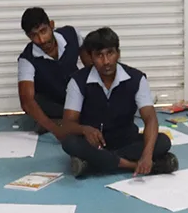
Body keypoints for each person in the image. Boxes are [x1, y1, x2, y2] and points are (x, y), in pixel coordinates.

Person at [60, 28, 177, 178]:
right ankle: (133, 165)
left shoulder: (136, 79)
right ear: (91, 57)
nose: (106, 61)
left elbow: (150, 119)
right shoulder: (78, 81)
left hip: (126, 141)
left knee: (163, 141)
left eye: (110, 53)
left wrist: (147, 155)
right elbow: (67, 125)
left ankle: (94, 163)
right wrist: (84, 130)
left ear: (118, 53)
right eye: (99, 55)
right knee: (69, 142)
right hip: (94, 144)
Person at [17, 7, 90, 136]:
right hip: (53, 104)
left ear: (51, 25)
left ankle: (66, 121)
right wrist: (57, 131)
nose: (41, 40)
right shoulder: (27, 59)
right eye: (34, 35)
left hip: (75, 96)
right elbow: (27, 102)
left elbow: (91, 67)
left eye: (43, 31)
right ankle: (58, 123)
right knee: (34, 100)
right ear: (28, 36)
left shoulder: (71, 34)